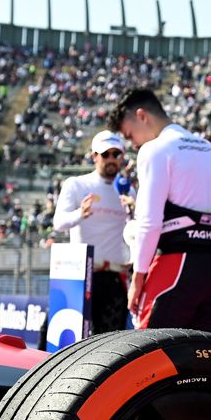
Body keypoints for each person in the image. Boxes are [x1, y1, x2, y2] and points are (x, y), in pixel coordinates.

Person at [106, 87, 211, 331]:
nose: (133, 143)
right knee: (201, 358)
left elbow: (149, 221)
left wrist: (138, 276)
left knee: (146, 354)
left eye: (130, 134)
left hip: (178, 262)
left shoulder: (155, 150)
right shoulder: (210, 150)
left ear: (142, 115)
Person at [51, 130, 132, 333]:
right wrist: (80, 213)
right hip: (80, 276)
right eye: (105, 154)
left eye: (117, 154)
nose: (111, 159)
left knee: (107, 346)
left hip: (114, 277)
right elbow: (58, 223)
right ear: (94, 156)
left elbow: (136, 231)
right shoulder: (77, 184)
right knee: (67, 341)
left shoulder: (128, 191)